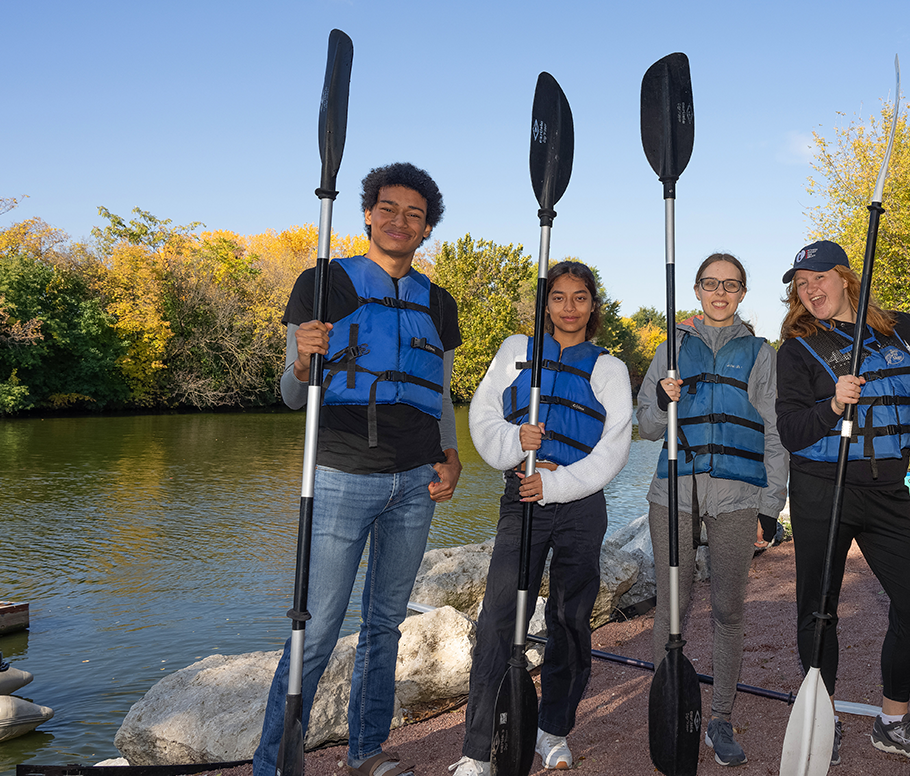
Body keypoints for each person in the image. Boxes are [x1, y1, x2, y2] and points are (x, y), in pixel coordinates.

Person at [254, 162, 461, 776]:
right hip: (341, 475)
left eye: (415, 214)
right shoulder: (323, 283)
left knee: (384, 628)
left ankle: (365, 753)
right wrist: (300, 360)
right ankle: (274, 766)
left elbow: (441, 393)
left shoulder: (439, 303)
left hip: (415, 482)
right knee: (313, 633)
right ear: (368, 214)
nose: (401, 221)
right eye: (390, 209)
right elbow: (293, 397)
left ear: (427, 230)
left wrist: (449, 456)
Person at [776, 239, 910, 766]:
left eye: (819, 278)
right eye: (801, 284)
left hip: (886, 490)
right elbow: (791, 430)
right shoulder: (795, 349)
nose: (810, 290)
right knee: (819, 610)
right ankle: (823, 717)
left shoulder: (901, 328)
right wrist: (833, 403)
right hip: (821, 489)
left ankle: (892, 720)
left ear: (844, 278)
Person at [452, 261, 633, 776]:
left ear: (593, 306)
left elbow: (614, 448)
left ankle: (553, 731)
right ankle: (477, 748)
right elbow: (483, 415)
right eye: (558, 297)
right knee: (499, 619)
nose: (569, 307)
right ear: (545, 302)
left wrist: (554, 483)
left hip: (579, 503)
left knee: (570, 620)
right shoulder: (516, 351)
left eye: (580, 298)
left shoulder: (609, 368)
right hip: (521, 497)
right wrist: (516, 443)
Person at [635, 252, 789, 766]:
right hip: (674, 493)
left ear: (743, 293)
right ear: (697, 290)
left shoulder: (761, 352)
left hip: (738, 496)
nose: (720, 292)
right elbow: (650, 427)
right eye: (710, 283)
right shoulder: (671, 349)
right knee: (672, 607)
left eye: (731, 284)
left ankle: (719, 716)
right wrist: (662, 396)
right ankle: (666, 706)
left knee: (728, 609)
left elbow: (775, 434)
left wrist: (771, 507)